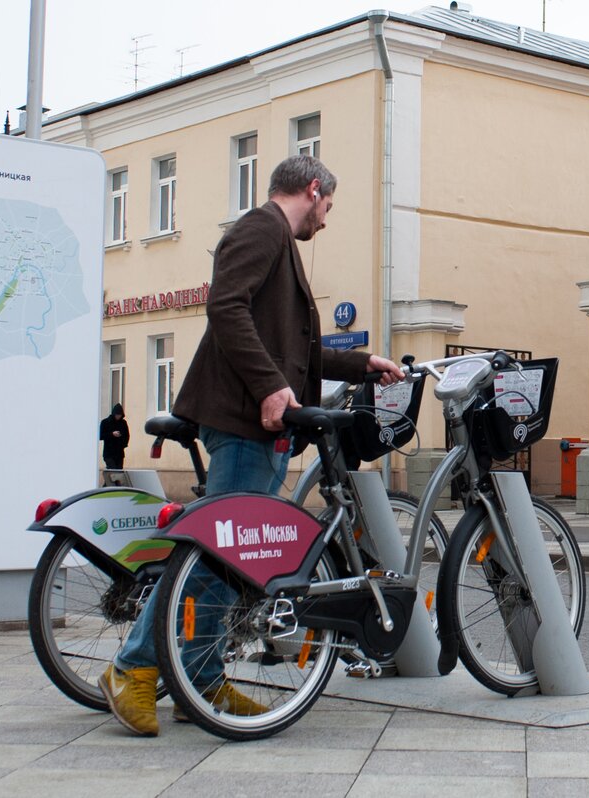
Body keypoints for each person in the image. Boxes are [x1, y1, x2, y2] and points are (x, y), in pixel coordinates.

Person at [99, 155, 403, 736]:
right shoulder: (262, 229)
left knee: (233, 562)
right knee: (220, 556)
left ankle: (201, 680)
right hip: (243, 420)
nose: (327, 221)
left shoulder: (275, 240)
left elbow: (296, 351)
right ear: (313, 190)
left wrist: (363, 365)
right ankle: (133, 670)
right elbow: (225, 307)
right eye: (329, 207)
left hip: (255, 419)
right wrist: (269, 388)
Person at [99, 404, 129, 471]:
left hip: (119, 453)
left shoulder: (123, 423)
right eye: (117, 415)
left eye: (120, 415)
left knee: (118, 473)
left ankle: (107, 482)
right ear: (113, 414)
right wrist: (112, 434)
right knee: (112, 471)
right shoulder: (105, 422)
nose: (118, 416)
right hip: (109, 453)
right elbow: (101, 436)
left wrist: (123, 444)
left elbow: (127, 435)